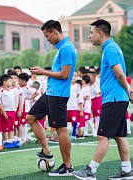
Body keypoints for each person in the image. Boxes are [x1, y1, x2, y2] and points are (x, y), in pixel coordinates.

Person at [73, 19, 133, 180]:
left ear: (100, 33)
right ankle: (127, 171)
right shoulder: (111, 48)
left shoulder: (111, 49)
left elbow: (120, 73)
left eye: (91, 33)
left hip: (113, 98)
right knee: (119, 136)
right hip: (116, 98)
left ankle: (91, 171)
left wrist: (129, 91)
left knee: (102, 136)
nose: (90, 36)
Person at [26, 19, 77, 176]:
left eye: (47, 36)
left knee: (61, 130)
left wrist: (43, 72)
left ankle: (67, 167)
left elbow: (65, 74)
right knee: (31, 117)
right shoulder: (62, 49)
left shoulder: (67, 48)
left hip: (58, 95)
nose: (46, 39)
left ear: (55, 32)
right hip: (50, 93)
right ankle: (47, 152)